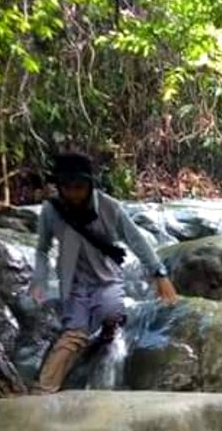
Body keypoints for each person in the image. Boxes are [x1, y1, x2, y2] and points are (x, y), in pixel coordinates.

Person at [29, 152, 178, 393]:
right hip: (74, 284)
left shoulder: (110, 208)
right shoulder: (51, 211)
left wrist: (159, 274)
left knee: (110, 312)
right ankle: (44, 389)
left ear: (90, 185)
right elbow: (42, 249)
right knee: (73, 335)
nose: (73, 193)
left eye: (79, 187)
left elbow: (137, 241)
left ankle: (110, 325)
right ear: (58, 187)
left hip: (106, 280)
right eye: (67, 187)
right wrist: (39, 279)